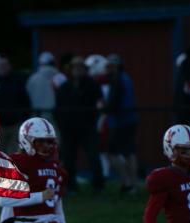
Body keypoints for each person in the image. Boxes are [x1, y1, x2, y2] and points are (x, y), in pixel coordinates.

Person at [55, 56, 105, 193]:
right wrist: (62, 124)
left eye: (80, 67)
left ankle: (98, 186)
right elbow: (58, 108)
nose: (77, 70)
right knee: (69, 159)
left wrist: (94, 118)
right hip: (69, 129)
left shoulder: (92, 85)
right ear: (70, 70)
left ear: (84, 69)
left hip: (88, 128)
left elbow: (100, 103)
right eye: (74, 67)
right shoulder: (64, 87)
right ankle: (70, 186)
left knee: (93, 156)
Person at [103, 54, 141, 193]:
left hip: (120, 121)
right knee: (129, 152)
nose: (107, 70)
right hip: (127, 120)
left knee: (114, 153)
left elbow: (113, 102)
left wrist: (104, 109)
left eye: (110, 66)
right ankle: (132, 184)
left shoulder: (118, 79)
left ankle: (128, 182)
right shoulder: (125, 78)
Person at [0, 56, 31, 153]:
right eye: (1, 65)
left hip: (15, 125)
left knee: (13, 153)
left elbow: (26, 102)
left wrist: (22, 119)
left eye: (5, 65)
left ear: (9, 66)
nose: (3, 67)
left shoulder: (18, 83)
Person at [26, 51, 60, 119]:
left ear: (40, 63)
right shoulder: (60, 78)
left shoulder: (32, 79)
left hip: (37, 115)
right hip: (55, 117)